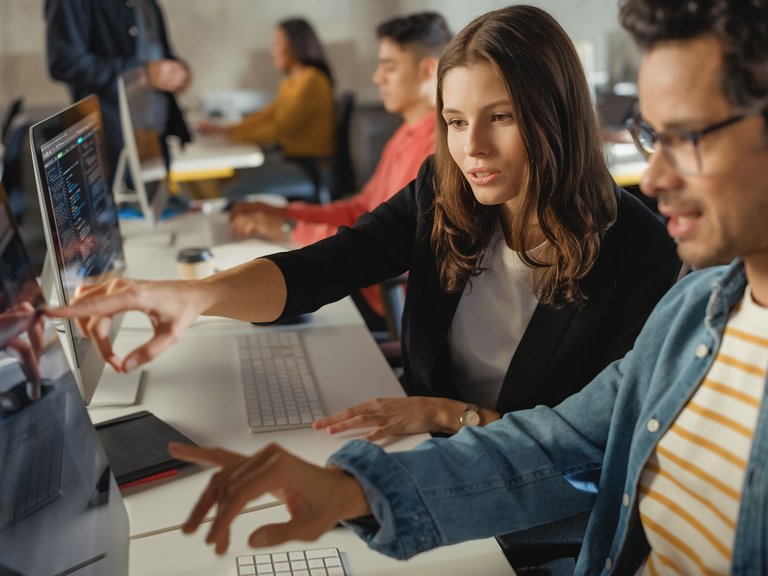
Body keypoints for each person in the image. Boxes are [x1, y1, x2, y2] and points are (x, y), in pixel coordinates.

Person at [155, 1, 768, 573]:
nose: (654, 177)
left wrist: (439, 422)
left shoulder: (648, 258)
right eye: (652, 138)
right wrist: (351, 490)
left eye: (687, 137)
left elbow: (584, 468)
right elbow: (565, 446)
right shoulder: (699, 312)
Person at [228, 12, 452, 325]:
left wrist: (288, 228)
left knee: (256, 301)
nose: (377, 78)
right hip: (364, 277)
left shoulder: (435, 151)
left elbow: (389, 250)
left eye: (389, 66)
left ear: (427, 70)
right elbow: (361, 210)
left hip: (384, 298)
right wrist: (286, 214)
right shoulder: (405, 133)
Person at [45, 0, 192, 177]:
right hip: (112, 144)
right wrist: (141, 73)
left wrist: (176, 73)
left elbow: (154, 49)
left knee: (159, 201)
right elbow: (65, 63)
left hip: (155, 136)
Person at [198, 18, 335, 173]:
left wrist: (233, 133)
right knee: (227, 177)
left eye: (277, 43)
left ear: (295, 45)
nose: (272, 50)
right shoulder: (290, 82)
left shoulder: (311, 81)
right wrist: (225, 130)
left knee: (229, 180)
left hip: (306, 165)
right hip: (290, 158)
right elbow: (266, 116)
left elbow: (279, 129)